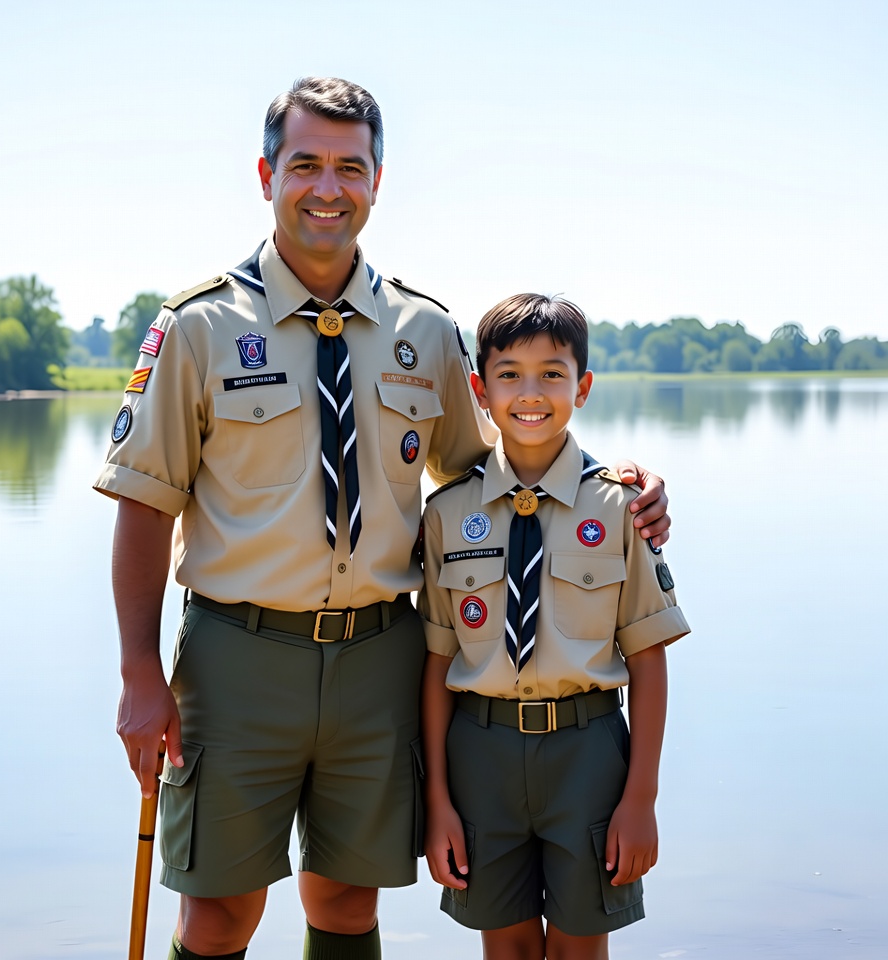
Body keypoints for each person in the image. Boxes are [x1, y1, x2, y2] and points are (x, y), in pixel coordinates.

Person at [93, 78, 671, 960]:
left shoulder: (424, 332)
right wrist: (139, 669)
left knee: (348, 901)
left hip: (379, 657)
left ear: (377, 180)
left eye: (349, 168)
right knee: (218, 912)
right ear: (266, 174)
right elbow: (144, 502)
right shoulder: (200, 327)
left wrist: (618, 487)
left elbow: (499, 467)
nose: (329, 188)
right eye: (306, 165)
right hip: (238, 654)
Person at [418, 294, 690, 960]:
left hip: (589, 753)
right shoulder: (448, 513)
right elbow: (435, 667)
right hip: (480, 752)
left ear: (583, 386)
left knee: (579, 949)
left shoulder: (621, 505)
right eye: (509, 374)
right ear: (480, 391)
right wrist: (439, 801)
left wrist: (641, 799)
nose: (530, 392)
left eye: (552, 373)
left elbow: (649, 660)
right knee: (504, 946)